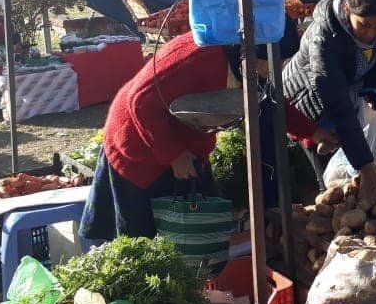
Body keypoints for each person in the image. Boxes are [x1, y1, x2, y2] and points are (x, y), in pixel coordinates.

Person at [80, 32, 337, 240]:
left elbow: (269, 101)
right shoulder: (200, 59)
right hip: (138, 144)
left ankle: (200, 283)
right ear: (253, 56)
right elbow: (141, 102)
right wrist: (174, 155)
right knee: (141, 236)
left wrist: (313, 132)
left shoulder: (246, 64)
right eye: (271, 66)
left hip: (186, 143)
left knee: (202, 227)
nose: (272, 73)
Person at [282, 0, 376, 200]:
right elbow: (336, 101)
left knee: (352, 184)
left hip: (347, 103)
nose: (370, 34)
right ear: (347, 10)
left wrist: (374, 91)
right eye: (364, 25)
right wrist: (365, 165)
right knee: (334, 192)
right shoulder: (325, 37)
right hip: (311, 106)